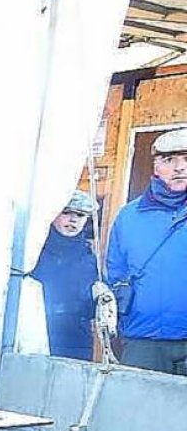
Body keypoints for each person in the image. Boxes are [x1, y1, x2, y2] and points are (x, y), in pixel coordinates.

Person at [106, 127, 187, 375]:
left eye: (186, 159)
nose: (179, 167)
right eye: (168, 159)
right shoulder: (128, 217)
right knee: (139, 412)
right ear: (155, 167)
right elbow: (115, 273)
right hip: (143, 342)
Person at [30, 190, 99, 360]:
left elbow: (92, 305)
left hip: (76, 340)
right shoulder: (34, 251)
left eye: (81, 215)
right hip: (37, 332)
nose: (73, 220)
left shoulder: (88, 257)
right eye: (66, 212)